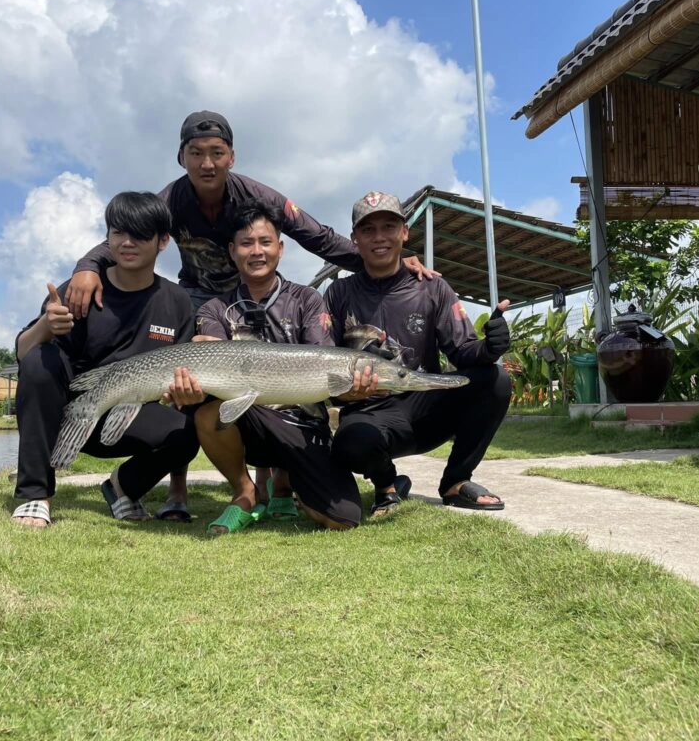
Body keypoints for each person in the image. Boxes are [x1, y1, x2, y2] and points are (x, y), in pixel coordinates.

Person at [63, 111, 436, 517]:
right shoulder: (170, 199)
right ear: (181, 157)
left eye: (217, 153)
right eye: (196, 153)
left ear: (232, 157)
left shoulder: (261, 199)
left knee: (270, 372)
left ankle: (277, 481)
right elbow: (132, 231)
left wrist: (383, 260)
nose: (207, 163)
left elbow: (320, 237)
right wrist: (87, 264)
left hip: (259, 291)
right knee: (191, 390)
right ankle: (178, 492)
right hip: (200, 296)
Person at [11, 191, 202, 528]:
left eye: (140, 234)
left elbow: (182, 373)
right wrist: (45, 326)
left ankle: (122, 487)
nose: (127, 243)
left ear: (163, 241)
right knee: (40, 360)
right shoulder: (79, 289)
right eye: (118, 233)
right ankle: (35, 495)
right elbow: (24, 355)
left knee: (190, 429)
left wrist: (185, 392)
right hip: (68, 415)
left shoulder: (177, 301)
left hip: (126, 419)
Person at [325, 191, 512, 514]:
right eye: (368, 230)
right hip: (369, 415)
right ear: (354, 239)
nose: (379, 237)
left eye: (389, 226)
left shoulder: (432, 287)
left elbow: (463, 351)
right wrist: (346, 395)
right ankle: (387, 485)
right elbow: (324, 360)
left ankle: (456, 481)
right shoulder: (339, 293)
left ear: (405, 232)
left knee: (495, 380)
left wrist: (490, 345)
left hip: (425, 407)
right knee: (350, 443)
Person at [193, 199, 361, 534]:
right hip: (247, 416)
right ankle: (245, 492)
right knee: (207, 412)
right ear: (232, 250)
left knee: (342, 520)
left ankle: (284, 484)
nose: (256, 251)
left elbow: (324, 359)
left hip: (302, 424)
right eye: (246, 243)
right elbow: (207, 355)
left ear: (280, 248)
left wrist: (352, 385)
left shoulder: (307, 300)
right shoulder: (214, 309)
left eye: (265, 242)